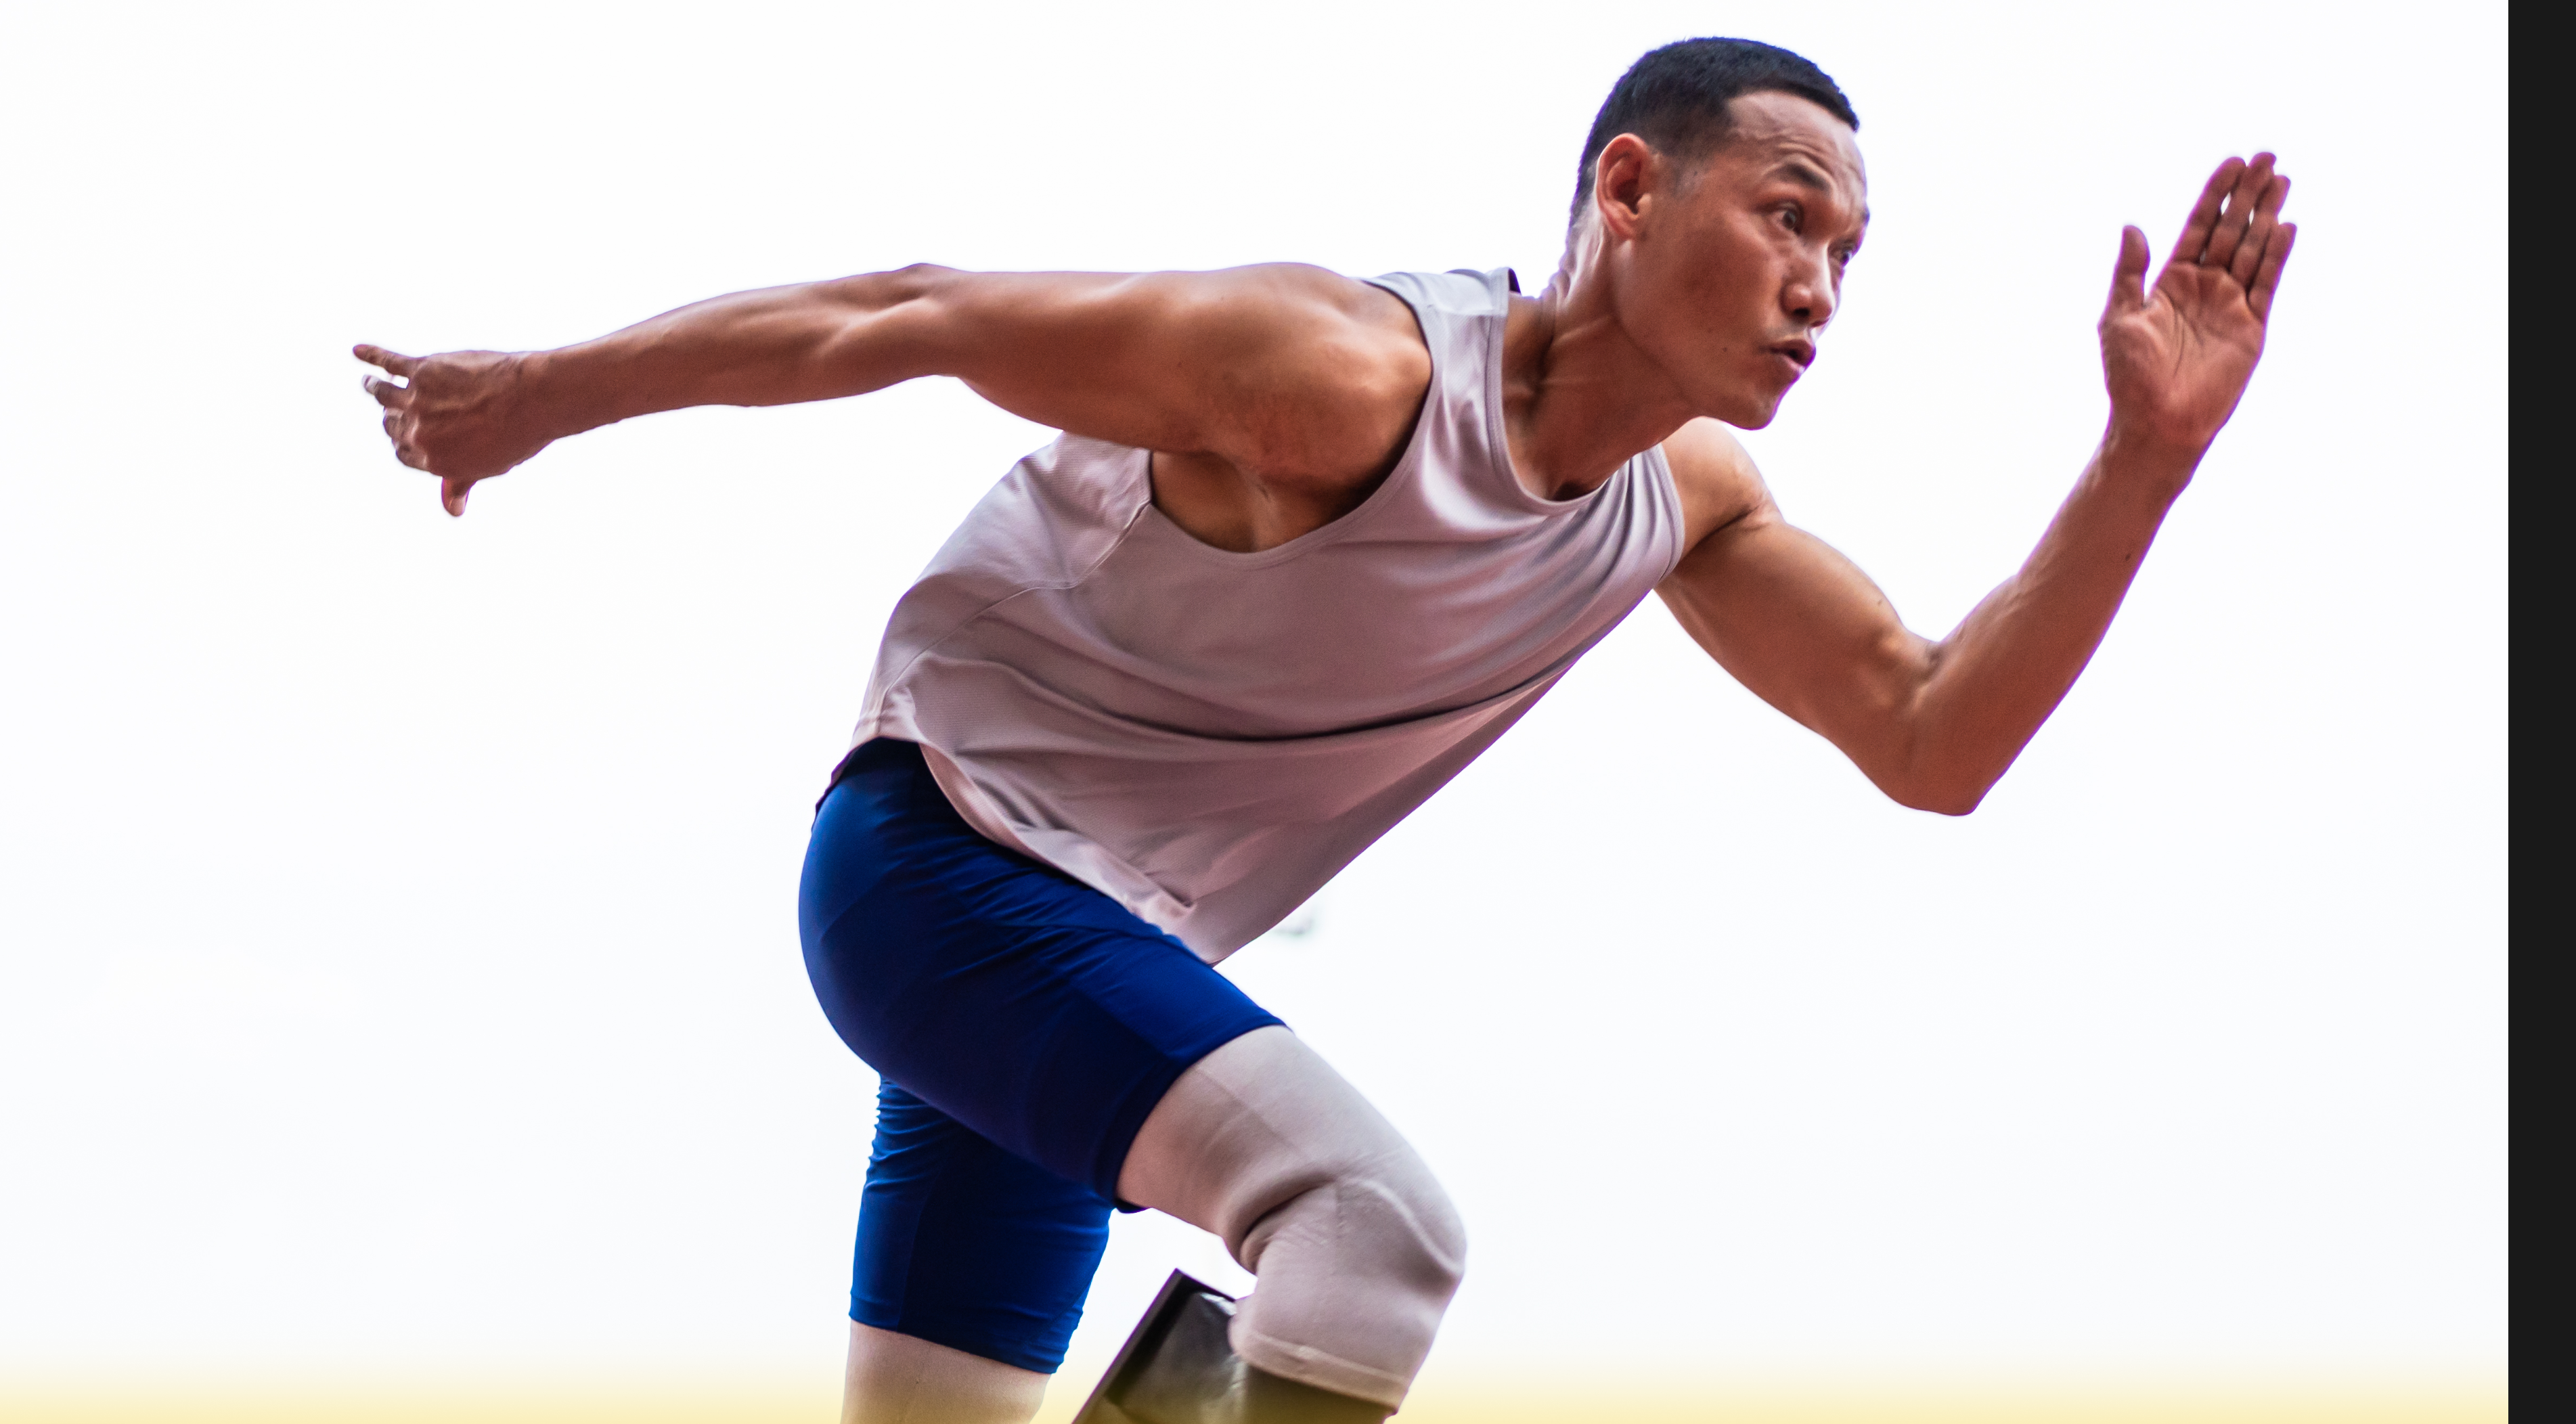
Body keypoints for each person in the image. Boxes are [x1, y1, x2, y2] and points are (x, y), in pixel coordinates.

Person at [357, 37, 2294, 1424]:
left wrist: (2139, 464)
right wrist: (538, 394)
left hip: (1081, 979)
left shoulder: (1680, 501)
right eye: (1791, 220)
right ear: (1627, 190)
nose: (1820, 289)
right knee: (1369, 1232)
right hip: (942, 870)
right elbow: (911, 310)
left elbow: (1931, 734)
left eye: (1852, 258)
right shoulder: (1344, 375)